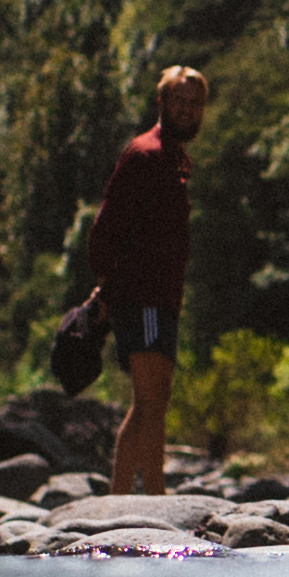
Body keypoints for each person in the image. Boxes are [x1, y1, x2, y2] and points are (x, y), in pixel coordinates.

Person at [81, 65, 208, 493]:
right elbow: (105, 230)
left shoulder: (173, 158)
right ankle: (130, 500)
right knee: (150, 402)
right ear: (161, 103)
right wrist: (110, 290)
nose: (187, 110)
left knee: (155, 401)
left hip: (161, 297)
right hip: (144, 297)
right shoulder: (146, 154)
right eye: (179, 101)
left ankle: (148, 495)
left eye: (195, 103)